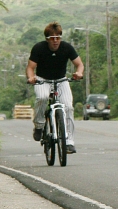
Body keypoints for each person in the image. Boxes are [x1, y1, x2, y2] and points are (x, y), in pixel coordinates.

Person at [26, 22, 84, 154]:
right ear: (47, 39)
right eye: (52, 39)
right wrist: (31, 77)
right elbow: (30, 67)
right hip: (43, 80)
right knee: (42, 97)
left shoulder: (67, 48)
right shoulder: (39, 48)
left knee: (68, 107)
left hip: (61, 80)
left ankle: (68, 141)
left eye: (58, 38)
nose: (56, 41)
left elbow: (79, 64)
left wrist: (79, 73)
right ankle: (39, 126)